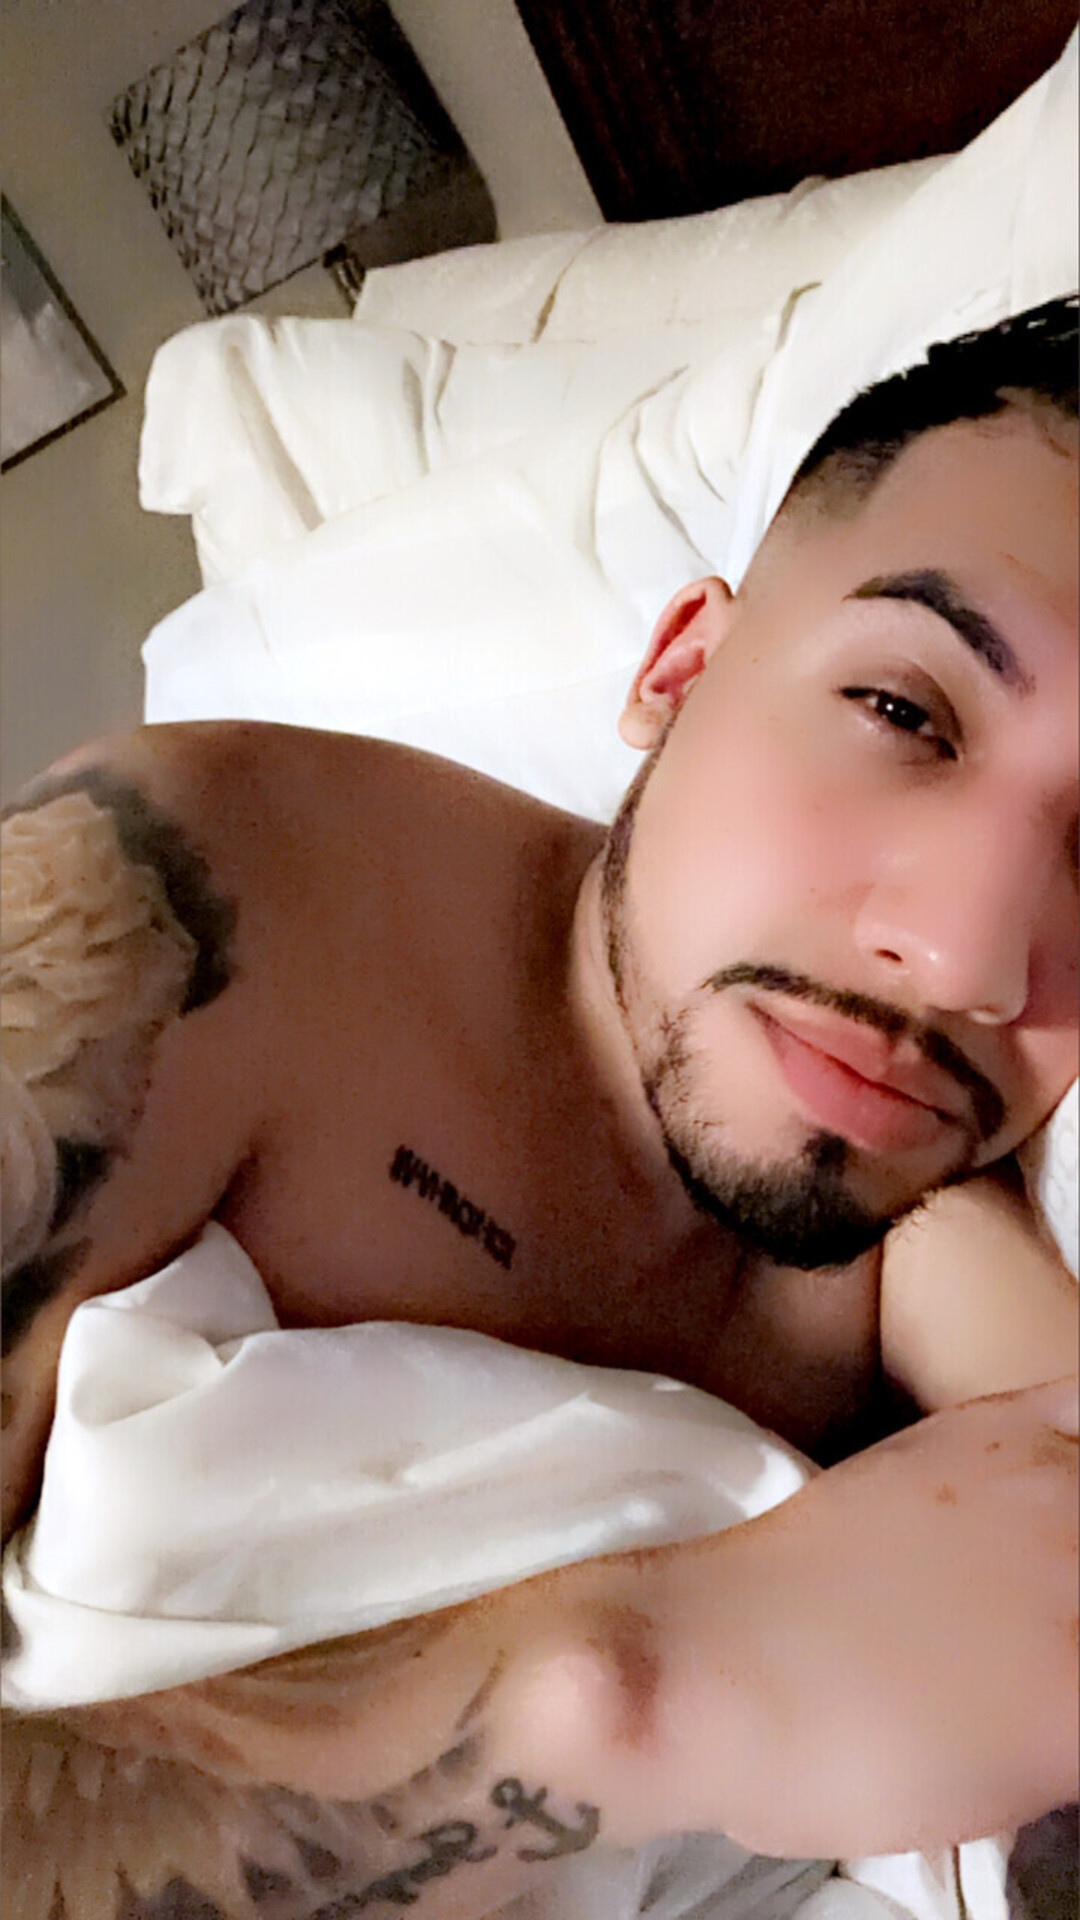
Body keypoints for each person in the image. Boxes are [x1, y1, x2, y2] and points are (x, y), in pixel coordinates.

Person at [1, 299, 1077, 1915]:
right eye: (903, 714)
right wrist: (631, 1699)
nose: (971, 960)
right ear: (679, 671)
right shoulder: (180, 923)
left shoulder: (937, 1239)